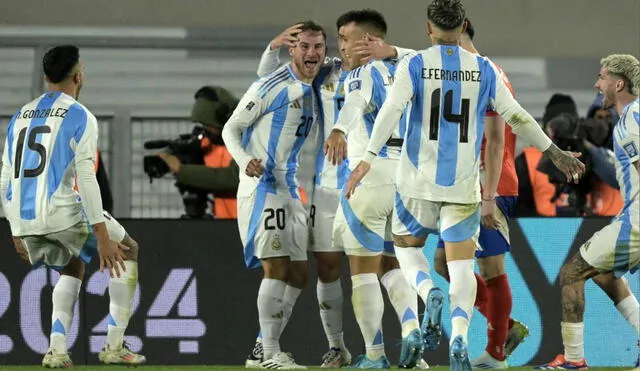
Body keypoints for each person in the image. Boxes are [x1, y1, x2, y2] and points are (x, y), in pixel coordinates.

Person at [343, 1, 585, 370]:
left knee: (406, 249)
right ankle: (459, 335)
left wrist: (366, 160)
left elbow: (391, 111)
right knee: (460, 266)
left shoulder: (415, 64)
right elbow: (516, 117)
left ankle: (428, 292)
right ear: (462, 26)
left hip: (416, 183)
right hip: (463, 186)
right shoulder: (485, 69)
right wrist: (553, 151)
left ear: (428, 29)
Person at [250, 16, 421, 369]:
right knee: (330, 266)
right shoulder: (325, 72)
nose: (341, 46)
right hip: (332, 186)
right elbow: (266, 79)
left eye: (345, 38)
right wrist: (273, 47)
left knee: (379, 265)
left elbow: (423, 59)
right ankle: (338, 347)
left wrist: (390, 50)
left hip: (364, 180)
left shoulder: (395, 66)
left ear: (369, 39)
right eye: (339, 39)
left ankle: (380, 352)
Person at [0, 45, 145, 367]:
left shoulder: (20, 115)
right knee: (128, 247)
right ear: (79, 76)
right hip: (63, 211)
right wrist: (103, 236)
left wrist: (14, 229)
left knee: (73, 263)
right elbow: (87, 179)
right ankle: (114, 346)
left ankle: (56, 350)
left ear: (45, 77)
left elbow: (5, 178)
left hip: (25, 221)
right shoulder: (80, 115)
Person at [221, 20, 327, 369]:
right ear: (292, 50)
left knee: (299, 272)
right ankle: (269, 354)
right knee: (277, 266)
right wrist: (244, 160)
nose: (311, 53)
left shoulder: (319, 79)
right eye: (304, 47)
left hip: (289, 186)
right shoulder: (271, 85)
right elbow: (231, 128)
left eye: (318, 47)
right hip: (262, 185)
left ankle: (260, 347)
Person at [431, 18, 529, 369]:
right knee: (443, 264)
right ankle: (504, 329)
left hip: (492, 184)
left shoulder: (488, 73)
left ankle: (495, 352)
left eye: (444, 36)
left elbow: (498, 138)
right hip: (463, 186)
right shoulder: (459, 74)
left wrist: (489, 195)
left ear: (463, 28)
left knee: (490, 266)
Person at [536, 54, 640, 370]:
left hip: (637, 220)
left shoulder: (631, 121)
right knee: (604, 273)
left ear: (618, 83)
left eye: (602, 77)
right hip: (631, 215)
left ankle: (573, 359)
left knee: (572, 273)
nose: (597, 84)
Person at [156, 86, 240, 219]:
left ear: (225, 118)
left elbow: (234, 177)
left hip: (251, 227)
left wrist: (182, 170)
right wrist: (171, 153)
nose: (206, 130)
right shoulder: (212, 141)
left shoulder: (251, 140)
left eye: (208, 125)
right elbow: (189, 145)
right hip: (224, 225)